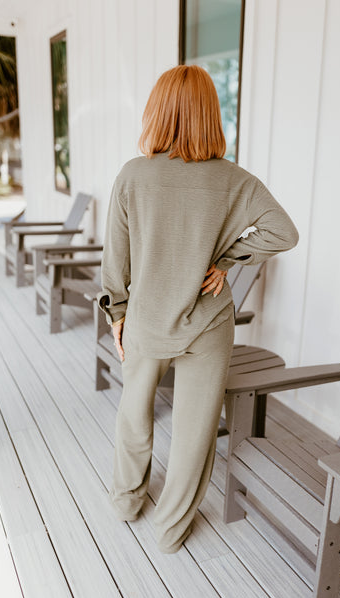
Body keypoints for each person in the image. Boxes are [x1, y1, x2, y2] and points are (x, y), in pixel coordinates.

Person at [97, 64, 299, 554]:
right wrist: (228, 260)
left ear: (158, 111)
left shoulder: (133, 175)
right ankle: (170, 532)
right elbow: (284, 232)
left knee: (134, 414)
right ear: (211, 114)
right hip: (208, 323)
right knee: (194, 430)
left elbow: (114, 261)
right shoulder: (235, 180)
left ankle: (126, 501)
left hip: (146, 320)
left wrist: (116, 315)